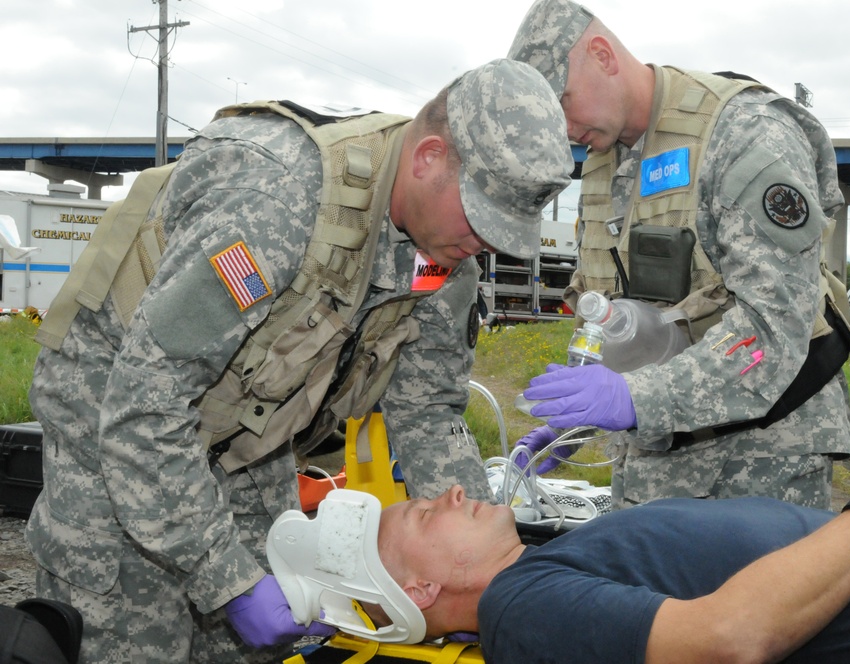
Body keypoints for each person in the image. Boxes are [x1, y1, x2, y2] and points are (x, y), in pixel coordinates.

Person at [24, 59, 574, 663]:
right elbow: (143, 409)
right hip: (113, 422)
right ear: (429, 158)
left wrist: (482, 574)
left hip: (251, 435)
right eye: (481, 216)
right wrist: (225, 579)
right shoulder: (277, 203)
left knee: (264, 635)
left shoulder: (446, 259)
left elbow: (426, 412)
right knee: (134, 641)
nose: (486, 243)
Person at [507, 0, 850, 510]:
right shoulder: (605, 161)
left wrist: (634, 399)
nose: (562, 129)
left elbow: (776, 328)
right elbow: (612, 316)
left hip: (758, 463)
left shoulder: (743, 132)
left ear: (602, 55)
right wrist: (576, 424)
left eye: (561, 102)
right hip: (653, 456)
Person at [369, 484, 850, 663]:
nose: (450, 492)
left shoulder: (537, 567)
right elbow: (729, 638)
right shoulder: (519, 607)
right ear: (419, 590)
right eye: (424, 515)